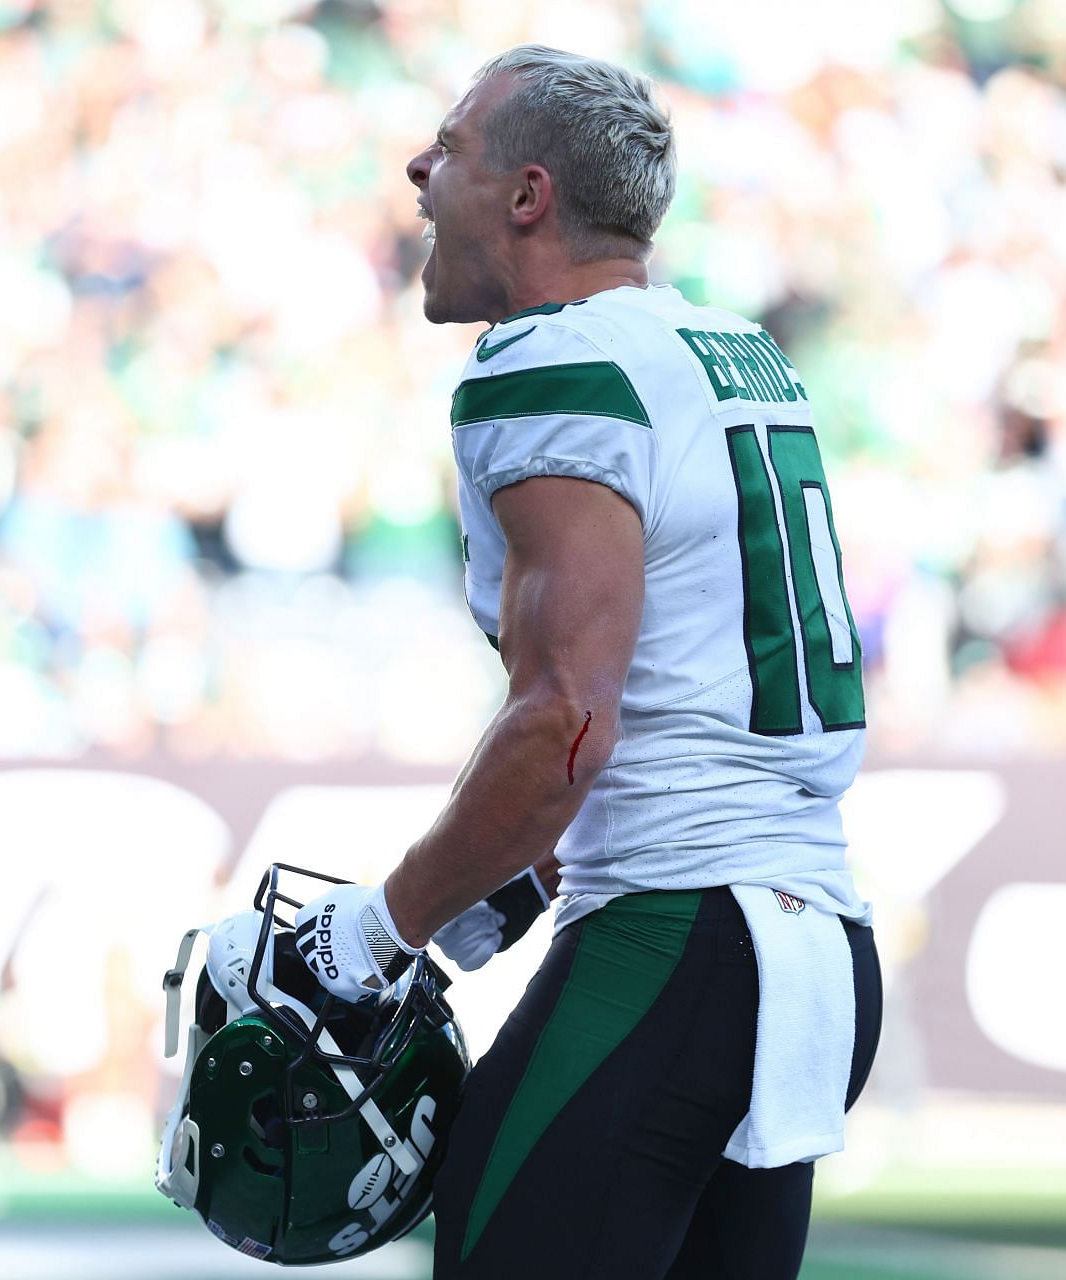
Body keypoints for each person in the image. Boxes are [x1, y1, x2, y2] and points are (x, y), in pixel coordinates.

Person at [288, 46, 882, 1279]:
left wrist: (378, 926)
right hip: (812, 941)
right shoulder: (730, 350)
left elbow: (567, 719)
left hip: (677, 938)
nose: (416, 165)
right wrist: (481, 897)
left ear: (527, 196)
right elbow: (652, 701)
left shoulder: (552, 363)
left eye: (450, 145)